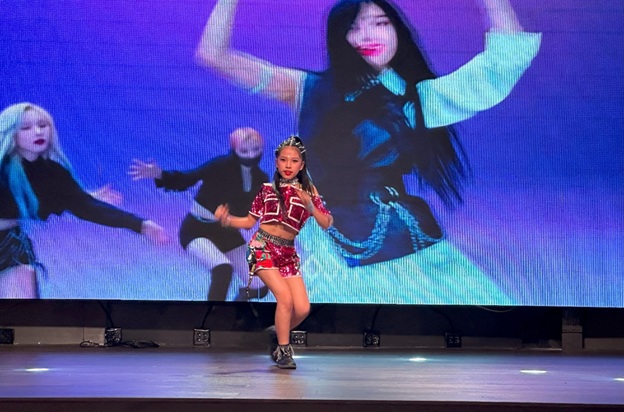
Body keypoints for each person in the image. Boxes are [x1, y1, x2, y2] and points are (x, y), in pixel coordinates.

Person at [195, 0, 542, 267]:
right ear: (339, 37)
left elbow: (502, 64)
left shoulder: (419, 100)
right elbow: (214, 55)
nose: (367, 36)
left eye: (380, 23)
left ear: (398, 32)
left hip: (405, 252)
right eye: (354, 27)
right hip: (329, 254)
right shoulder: (306, 89)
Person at [0, 103, 168, 299]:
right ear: (12, 133)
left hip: (10, 246)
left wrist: (141, 225)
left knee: (21, 304)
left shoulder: (53, 172)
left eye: (42, 125)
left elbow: (85, 207)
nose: (38, 132)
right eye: (26, 127)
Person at [214, 135, 332, 369]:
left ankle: (277, 333)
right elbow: (249, 222)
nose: (288, 165)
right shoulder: (267, 190)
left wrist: (310, 206)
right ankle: (283, 350)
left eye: (294, 161)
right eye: (283, 160)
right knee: (285, 299)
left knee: (302, 308)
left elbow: (326, 222)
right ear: (277, 162)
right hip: (262, 248)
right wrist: (227, 220)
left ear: (302, 165)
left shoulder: (309, 192)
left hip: (287, 254)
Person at [129, 127, 269, 301]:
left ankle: (236, 305)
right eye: (244, 151)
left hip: (227, 234)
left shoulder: (261, 178)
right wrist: (160, 174)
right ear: (234, 149)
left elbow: (255, 213)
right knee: (223, 269)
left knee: (260, 285)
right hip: (197, 230)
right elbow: (188, 178)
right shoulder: (219, 165)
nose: (251, 155)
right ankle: (213, 314)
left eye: (256, 150)